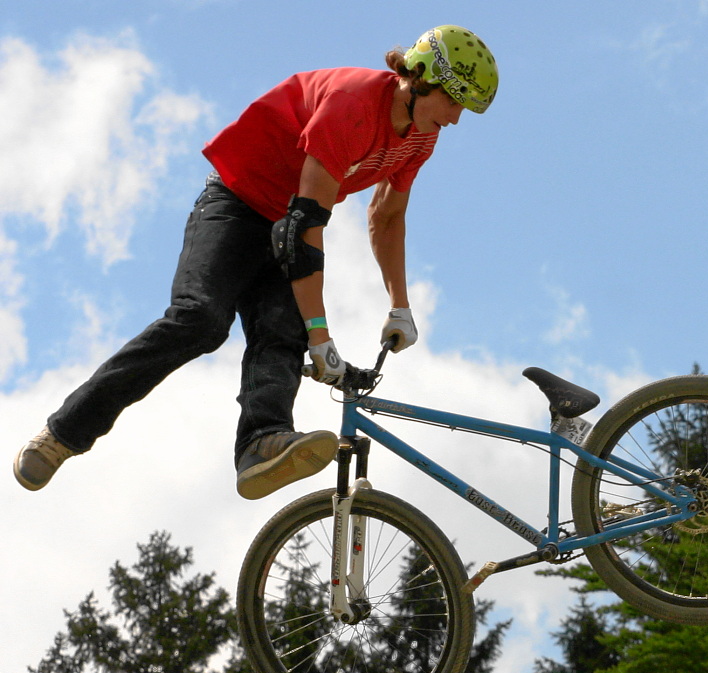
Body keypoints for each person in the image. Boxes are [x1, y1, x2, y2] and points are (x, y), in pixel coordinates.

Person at [13, 25, 498, 500]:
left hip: (287, 219)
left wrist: (400, 305)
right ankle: (63, 434)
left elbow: (387, 216)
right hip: (238, 202)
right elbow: (304, 233)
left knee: (281, 336)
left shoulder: (420, 136)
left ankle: (262, 443)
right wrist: (321, 335)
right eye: (454, 103)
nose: (455, 119)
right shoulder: (352, 106)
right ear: (421, 80)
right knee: (199, 320)